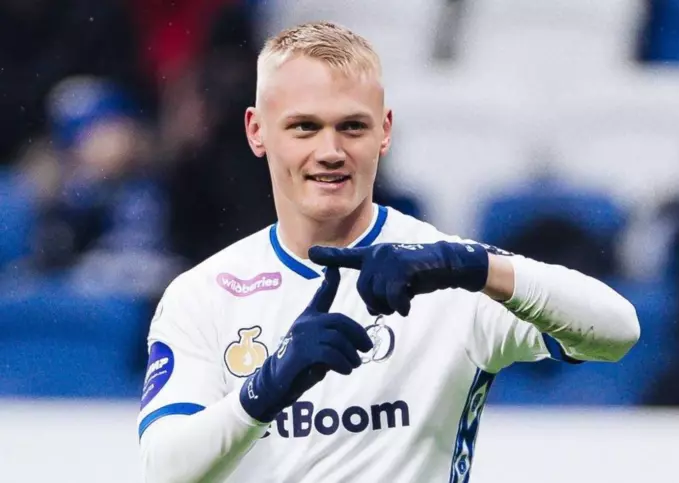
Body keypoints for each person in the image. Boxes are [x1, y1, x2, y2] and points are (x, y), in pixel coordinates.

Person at [137, 22, 640, 483]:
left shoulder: (452, 275)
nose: (330, 151)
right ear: (257, 131)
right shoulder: (204, 293)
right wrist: (266, 387)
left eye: (352, 126)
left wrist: (471, 265)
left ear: (385, 130)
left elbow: (618, 332)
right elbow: (164, 471)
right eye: (304, 126)